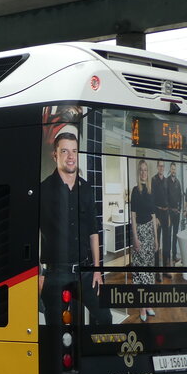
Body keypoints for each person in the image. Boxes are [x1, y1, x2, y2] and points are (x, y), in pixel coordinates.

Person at [39, 126, 112, 327]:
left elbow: (93, 231)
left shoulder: (86, 188)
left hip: (85, 271)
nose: (71, 156)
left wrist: (97, 270)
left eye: (74, 151)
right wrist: (38, 275)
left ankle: (93, 357)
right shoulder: (43, 190)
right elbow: (29, 233)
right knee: (57, 328)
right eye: (64, 151)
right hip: (55, 274)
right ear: (55, 155)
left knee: (105, 318)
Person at [130, 159, 157, 321]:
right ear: (138, 172)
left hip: (149, 232)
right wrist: (135, 237)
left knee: (149, 272)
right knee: (140, 272)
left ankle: (148, 304)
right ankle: (141, 306)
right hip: (139, 231)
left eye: (145, 170)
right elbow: (133, 216)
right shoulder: (135, 191)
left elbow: (153, 216)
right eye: (141, 170)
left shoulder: (150, 191)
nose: (143, 173)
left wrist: (156, 239)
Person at [151, 160, 171, 267]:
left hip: (166, 213)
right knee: (157, 241)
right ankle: (157, 269)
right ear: (157, 167)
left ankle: (165, 267)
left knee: (166, 242)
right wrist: (156, 217)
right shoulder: (153, 180)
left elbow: (168, 198)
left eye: (163, 166)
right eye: (160, 166)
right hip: (157, 214)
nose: (161, 168)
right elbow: (152, 200)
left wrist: (168, 216)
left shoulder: (167, 181)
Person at [167, 162, 182, 267]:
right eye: (172, 169)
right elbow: (165, 196)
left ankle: (174, 256)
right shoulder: (167, 181)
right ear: (170, 169)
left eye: (174, 169)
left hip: (177, 213)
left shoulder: (178, 182)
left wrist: (179, 209)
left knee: (175, 234)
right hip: (169, 213)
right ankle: (167, 256)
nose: (173, 171)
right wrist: (169, 210)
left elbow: (180, 197)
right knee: (168, 235)